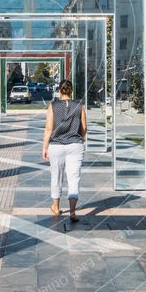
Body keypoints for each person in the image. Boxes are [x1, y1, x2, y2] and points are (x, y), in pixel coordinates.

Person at [42, 79, 87, 222]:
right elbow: (84, 127)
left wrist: (44, 147)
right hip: (75, 144)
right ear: (71, 90)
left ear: (59, 90)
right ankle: (72, 212)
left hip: (56, 145)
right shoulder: (79, 105)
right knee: (74, 177)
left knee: (56, 176)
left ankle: (55, 207)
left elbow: (49, 128)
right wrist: (82, 138)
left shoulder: (53, 105)